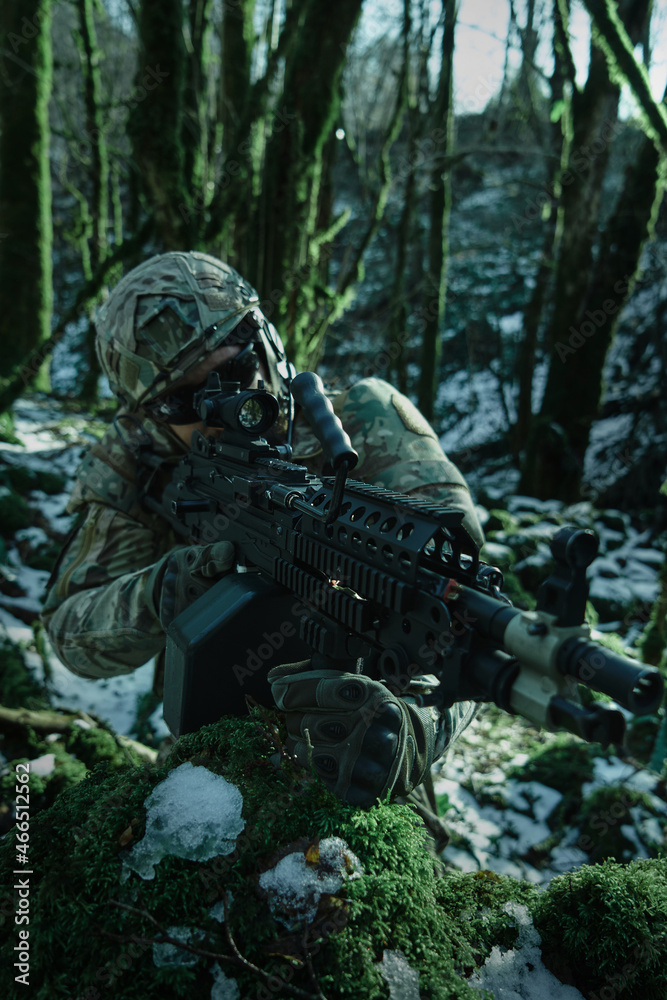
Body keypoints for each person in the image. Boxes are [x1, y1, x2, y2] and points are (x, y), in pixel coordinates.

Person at [41, 250, 484, 818]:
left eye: (235, 371)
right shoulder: (141, 466)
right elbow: (70, 633)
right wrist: (158, 595)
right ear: (147, 415)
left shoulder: (367, 426)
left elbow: (468, 612)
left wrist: (415, 730)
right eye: (183, 398)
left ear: (268, 345)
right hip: (206, 764)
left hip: (361, 756)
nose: (222, 405)